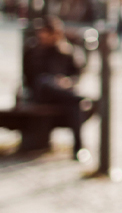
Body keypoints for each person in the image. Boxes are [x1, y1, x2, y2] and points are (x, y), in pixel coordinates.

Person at [22, 15, 90, 159]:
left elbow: (76, 75)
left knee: (74, 106)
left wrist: (66, 82)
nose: (42, 36)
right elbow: (29, 79)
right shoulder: (33, 50)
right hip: (40, 94)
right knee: (45, 81)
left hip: (62, 96)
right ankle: (78, 98)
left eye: (46, 33)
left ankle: (78, 148)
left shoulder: (66, 51)